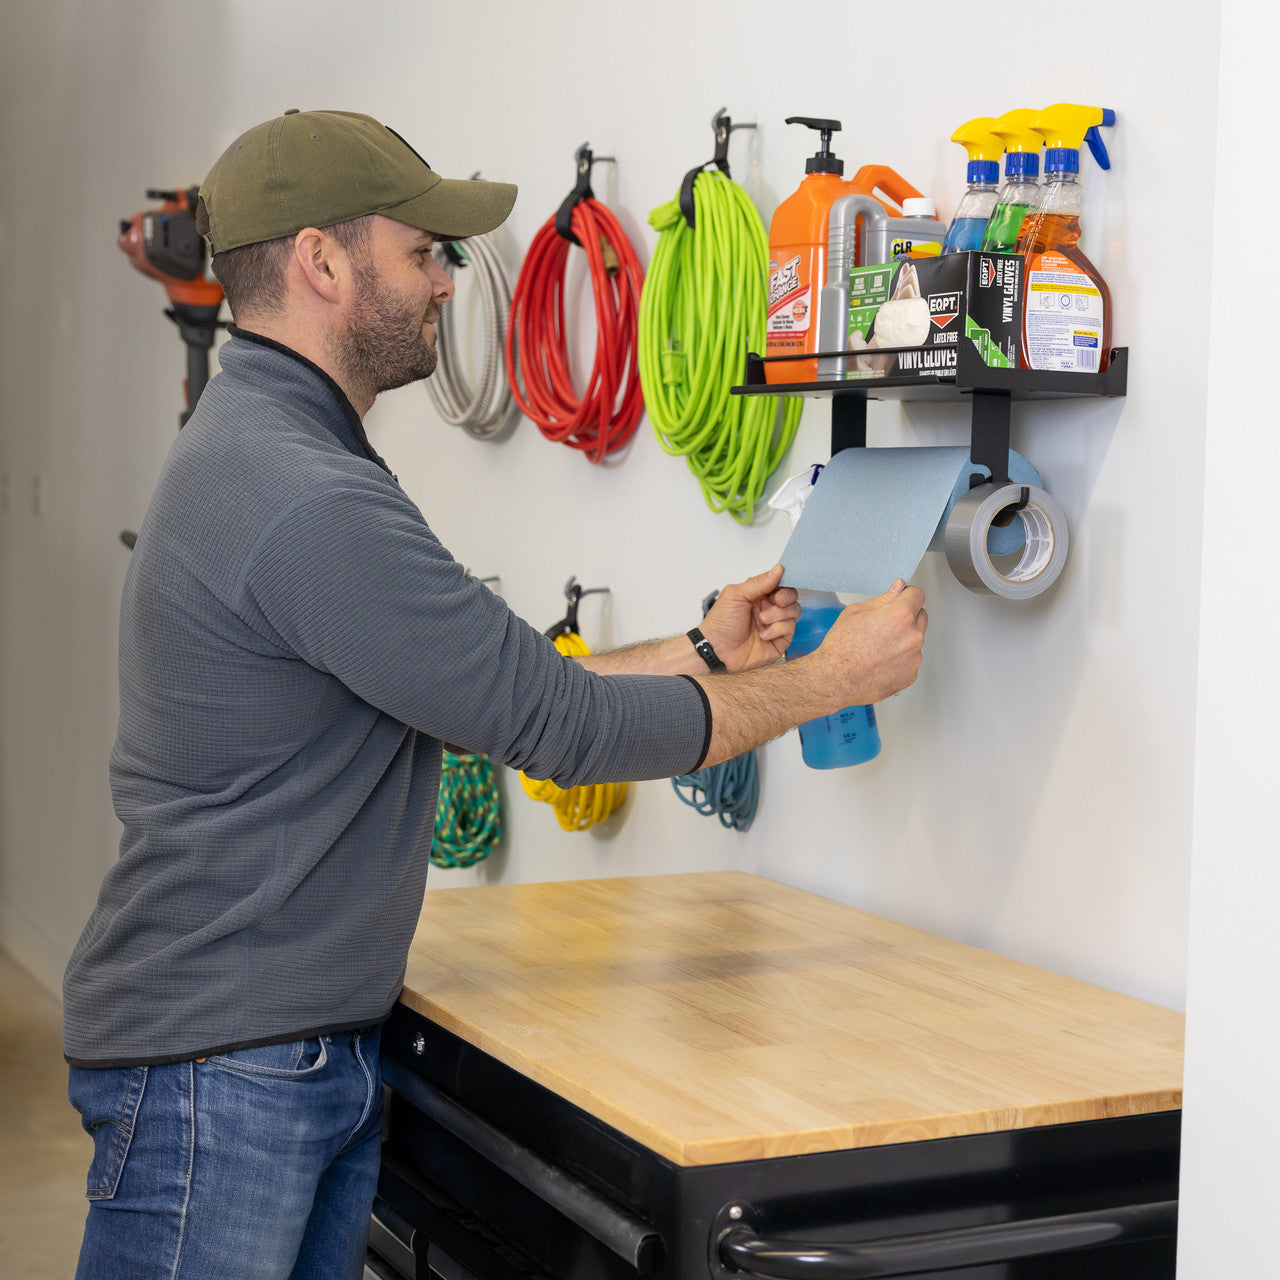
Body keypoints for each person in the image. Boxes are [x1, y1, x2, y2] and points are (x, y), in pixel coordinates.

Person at [62, 109, 927, 1280]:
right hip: (224, 1071)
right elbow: (559, 730)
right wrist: (831, 677)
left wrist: (705, 648)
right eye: (422, 253)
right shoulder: (298, 489)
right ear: (322, 261)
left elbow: (500, 680)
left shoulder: (275, 443)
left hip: (268, 1050)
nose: (443, 286)